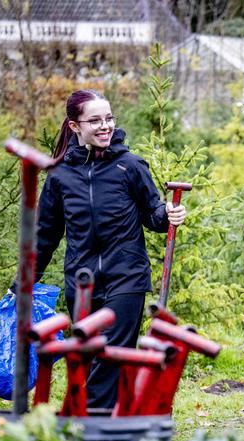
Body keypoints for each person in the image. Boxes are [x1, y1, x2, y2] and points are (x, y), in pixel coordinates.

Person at [26, 89, 185, 410]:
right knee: (89, 357)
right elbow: (45, 235)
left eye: (109, 118)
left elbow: (152, 214)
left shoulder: (130, 166)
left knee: (111, 354)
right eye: (95, 120)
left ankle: (86, 426)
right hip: (81, 282)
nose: (105, 126)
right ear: (74, 127)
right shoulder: (59, 176)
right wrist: (24, 283)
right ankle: (111, 419)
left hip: (126, 277)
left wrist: (168, 214)